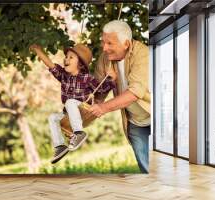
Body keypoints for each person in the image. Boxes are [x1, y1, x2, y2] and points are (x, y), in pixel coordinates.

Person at [30, 43, 115, 164]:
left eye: (71, 57)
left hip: (84, 111)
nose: (66, 59)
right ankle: (60, 146)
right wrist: (38, 50)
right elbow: (51, 65)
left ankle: (79, 133)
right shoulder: (64, 76)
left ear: (80, 64)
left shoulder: (86, 78)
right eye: (66, 57)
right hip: (70, 116)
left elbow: (101, 89)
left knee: (70, 102)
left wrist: (111, 79)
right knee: (53, 118)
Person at [90, 20, 151, 173]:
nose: (105, 48)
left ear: (126, 44)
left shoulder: (142, 53)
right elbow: (98, 92)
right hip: (135, 123)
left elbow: (135, 91)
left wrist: (103, 108)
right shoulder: (105, 60)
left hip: (153, 115)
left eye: (110, 43)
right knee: (146, 168)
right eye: (103, 43)